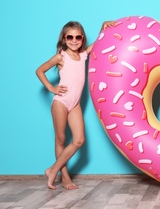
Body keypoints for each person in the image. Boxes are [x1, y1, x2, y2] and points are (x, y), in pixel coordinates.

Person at [36, 20, 116, 190]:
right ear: (64, 39)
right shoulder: (61, 57)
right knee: (61, 139)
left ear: (82, 38)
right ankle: (64, 178)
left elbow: (98, 43)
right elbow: (39, 70)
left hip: (75, 104)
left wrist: (102, 27)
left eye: (78, 37)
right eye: (70, 37)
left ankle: (52, 170)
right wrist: (51, 87)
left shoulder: (83, 56)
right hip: (61, 102)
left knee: (79, 140)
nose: (74, 40)